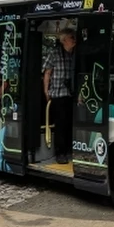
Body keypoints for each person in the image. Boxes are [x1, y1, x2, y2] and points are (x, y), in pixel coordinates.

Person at [43, 26, 77, 164]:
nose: (74, 40)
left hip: (72, 94)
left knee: (70, 123)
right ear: (64, 40)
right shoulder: (54, 53)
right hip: (58, 93)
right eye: (71, 37)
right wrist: (46, 91)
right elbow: (47, 72)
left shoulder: (76, 53)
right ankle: (60, 153)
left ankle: (69, 150)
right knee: (61, 124)